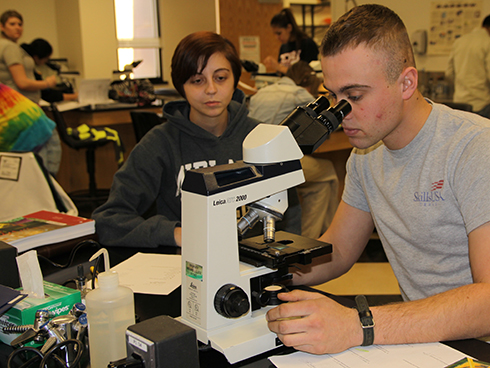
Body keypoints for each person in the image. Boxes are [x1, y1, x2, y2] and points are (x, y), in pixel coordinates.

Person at [266, 4, 490, 355]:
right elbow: (337, 251)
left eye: (354, 97)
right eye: (333, 96)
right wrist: (266, 271)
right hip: (423, 340)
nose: (341, 113)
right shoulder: (366, 157)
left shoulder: (474, 148)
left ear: (406, 82)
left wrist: (359, 325)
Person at [92, 31, 301, 249]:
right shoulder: (159, 144)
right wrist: (175, 234)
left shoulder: (264, 138)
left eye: (221, 78)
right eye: (197, 80)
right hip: (188, 267)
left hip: (256, 262)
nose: (211, 89)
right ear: (181, 85)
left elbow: (291, 214)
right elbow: (108, 220)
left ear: (235, 79)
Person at [249, 61, 338, 238]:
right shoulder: (300, 94)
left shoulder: (261, 92)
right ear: (308, 81)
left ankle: (323, 235)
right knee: (329, 172)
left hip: (252, 158)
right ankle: (322, 236)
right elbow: (320, 126)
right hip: (276, 161)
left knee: (320, 185)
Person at [0, 10, 56, 103]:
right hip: (19, 104)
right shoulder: (10, 47)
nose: (17, 28)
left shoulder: (5, 46)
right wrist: (47, 83)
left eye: (20, 24)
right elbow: (22, 83)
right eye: (12, 24)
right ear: (2, 27)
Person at [446, 15, 490, 118]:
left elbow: (449, 73)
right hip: (481, 104)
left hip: (460, 103)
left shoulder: (460, 41)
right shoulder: (487, 42)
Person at [263, 8, 319, 75]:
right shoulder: (284, 47)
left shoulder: (307, 44)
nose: (277, 37)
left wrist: (279, 67)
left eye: (279, 33)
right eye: (275, 34)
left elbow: (306, 75)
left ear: (289, 28)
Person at [20, 38, 78, 103]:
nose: (46, 61)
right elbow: (46, 94)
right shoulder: (26, 68)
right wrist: (47, 83)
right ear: (36, 57)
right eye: (46, 58)